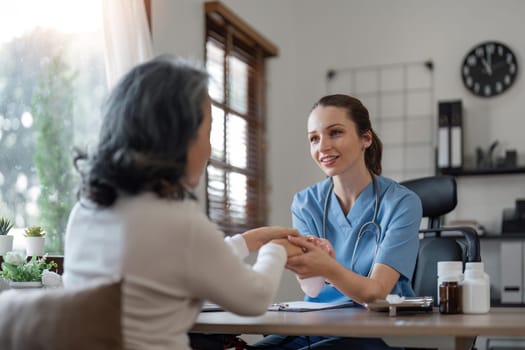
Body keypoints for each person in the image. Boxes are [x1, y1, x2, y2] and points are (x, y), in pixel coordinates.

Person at [62, 55, 302, 350]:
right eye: (208, 132)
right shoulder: (177, 221)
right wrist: (275, 250)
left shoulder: (86, 211)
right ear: (177, 138)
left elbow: (167, 265)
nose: (210, 148)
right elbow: (254, 298)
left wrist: (245, 241)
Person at [253, 94, 422, 349]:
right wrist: (303, 266)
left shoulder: (401, 203)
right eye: (314, 138)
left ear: (366, 138)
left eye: (335, 133)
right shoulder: (305, 202)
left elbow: (376, 293)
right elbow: (312, 288)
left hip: (377, 330)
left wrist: (326, 266)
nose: (322, 147)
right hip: (317, 322)